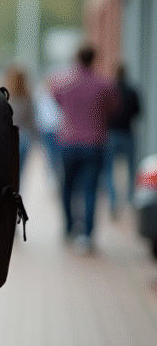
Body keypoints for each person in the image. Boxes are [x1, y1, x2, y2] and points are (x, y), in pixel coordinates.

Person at [49, 44, 119, 253]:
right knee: (90, 189)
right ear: (93, 59)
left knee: (67, 187)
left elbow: (56, 100)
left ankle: (69, 227)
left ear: (77, 58)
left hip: (69, 141)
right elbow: (114, 109)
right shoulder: (104, 84)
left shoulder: (62, 83)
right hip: (95, 143)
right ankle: (87, 236)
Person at [103, 62, 142, 217]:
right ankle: (131, 200)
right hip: (127, 133)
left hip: (111, 134)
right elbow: (139, 112)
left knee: (108, 170)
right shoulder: (132, 91)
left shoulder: (109, 91)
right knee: (131, 169)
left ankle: (113, 201)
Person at [4, 62, 37, 175]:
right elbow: (32, 121)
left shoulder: (3, 96)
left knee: (4, 173)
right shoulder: (28, 97)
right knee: (17, 174)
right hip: (22, 137)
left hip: (5, 136)